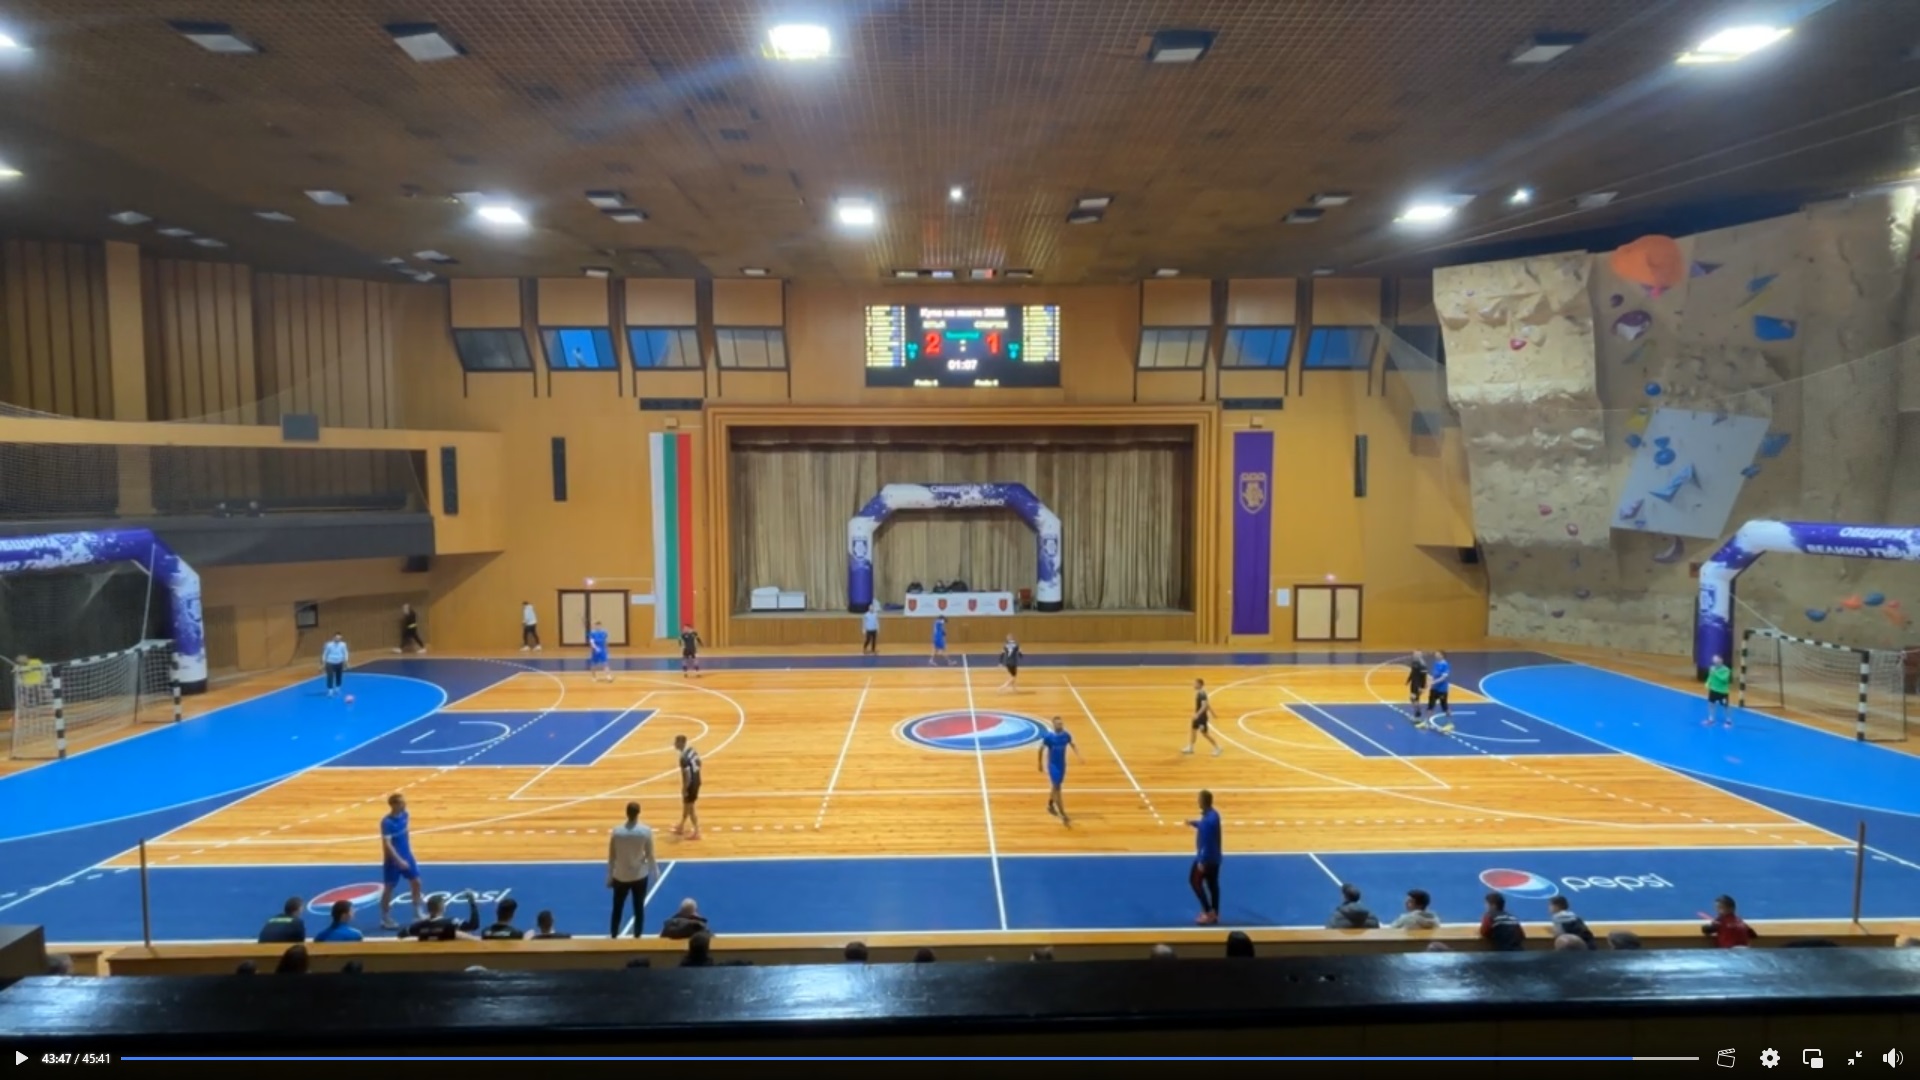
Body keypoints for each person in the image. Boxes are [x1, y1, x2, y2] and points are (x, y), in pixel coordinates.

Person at [608, 800, 659, 938]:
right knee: (639, 908)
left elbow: (612, 856)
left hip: (620, 876)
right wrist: (656, 872)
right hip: (639, 876)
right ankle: (637, 935)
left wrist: (609, 876)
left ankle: (613, 934)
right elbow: (650, 854)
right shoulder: (645, 831)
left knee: (617, 907)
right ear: (638, 813)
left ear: (627, 813)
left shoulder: (617, 832)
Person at [378, 793, 424, 931]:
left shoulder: (405, 815)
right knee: (389, 888)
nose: (404, 804)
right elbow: (387, 844)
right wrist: (398, 860)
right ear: (393, 805)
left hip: (406, 855)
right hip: (393, 860)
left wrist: (408, 852)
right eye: (401, 803)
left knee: (416, 882)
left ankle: (417, 912)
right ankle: (385, 917)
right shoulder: (386, 822)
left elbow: (406, 833)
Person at [1036, 715, 1084, 825]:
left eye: (1061, 723)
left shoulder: (1066, 735)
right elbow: (1040, 749)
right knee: (1058, 788)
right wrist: (1040, 764)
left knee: (1055, 786)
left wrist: (1079, 756)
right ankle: (1062, 813)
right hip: (1053, 766)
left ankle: (1050, 804)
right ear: (1054, 725)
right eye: (1058, 724)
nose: (1060, 725)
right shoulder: (1049, 737)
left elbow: (1072, 744)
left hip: (1062, 765)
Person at [1186, 789, 1223, 926]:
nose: (1198, 801)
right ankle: (1215, 913)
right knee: (1213, 884)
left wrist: (1201, 861)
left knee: (1194, 881)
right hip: (1215, 858)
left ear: (1203, 801)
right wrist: (1193, 823)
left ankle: (1208, 912)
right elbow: (1204, 826)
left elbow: (1206, 842)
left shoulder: (1208, 820)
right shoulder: (1214, 815)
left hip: (1206, 859)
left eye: (1199, 799)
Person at [401, 892, 480, 941]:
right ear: (443, 908)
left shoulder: (419, 926)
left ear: (428, 909)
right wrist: (472, 902)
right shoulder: (451, 923)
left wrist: (424, 921)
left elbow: (402, 934)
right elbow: (473, 925)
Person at [673, 733, 702, 840]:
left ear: (681, 743)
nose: (674, 744)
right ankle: (681, 826)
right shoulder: (691, 750)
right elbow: (699, 763)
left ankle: (697, 831)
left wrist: (685, 788)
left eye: (676, 742)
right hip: (697, 780)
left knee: (690, 808)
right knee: (686, 805)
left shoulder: (683, 758)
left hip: (691, 785)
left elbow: (688, 776)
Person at [1183, 678, 1222, 756]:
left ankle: (1217, 748)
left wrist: (1197, 714)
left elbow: (1204, 706)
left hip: (1201, 718)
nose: (1193, 685)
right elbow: (1207, 704)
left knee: (1205, 734)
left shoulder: (1202, 694)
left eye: (1195, 684)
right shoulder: (1199, 692)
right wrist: (1213, 713)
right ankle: (1191, 747)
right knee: (1193, 730)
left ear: (1200, 684)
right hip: (1197, 717)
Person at [1423, 651, 1454, 732]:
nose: (1436, 655)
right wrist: (1429, 682)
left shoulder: (1446, 665)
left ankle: (1450, 723)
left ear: (1442, 655)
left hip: (1442, 689)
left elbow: (1443, 678)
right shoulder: (1436, 663)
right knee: (1430, 705)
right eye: (1436, 654)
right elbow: (1434, 675)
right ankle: (1426, 722)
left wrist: (1433, 682)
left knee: (1444, 707)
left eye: (1438, 654)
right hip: (1434, 689)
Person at [1702, 654, 1733, 728]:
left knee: (1725, 706)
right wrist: (1707, 683)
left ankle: (1728, 721)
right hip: (1713, 690)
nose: (1715, 663)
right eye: (1714, 661)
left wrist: (1715, 673)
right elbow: (1710, 676)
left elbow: (1724, 680)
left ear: (1721, 661)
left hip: (1722, 691)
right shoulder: (1712, 668)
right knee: (1711, 704)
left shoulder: (1726, 670)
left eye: (1716, 661)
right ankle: (1711, 719)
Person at [1405, 651, 1429, 718]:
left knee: (1416, 699)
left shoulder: (1423, 665)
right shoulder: (1414, 662)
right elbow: (1412, 672)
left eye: (1417, 654)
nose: (1415, 655)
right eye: (1414, 654)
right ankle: (1417, 711)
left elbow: (1424, 676)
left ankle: (1417, 714)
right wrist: (1408, 680)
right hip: (1413, 683)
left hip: (1418, 685)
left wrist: (1422, 687)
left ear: (1420, 655)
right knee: (1412, 699)